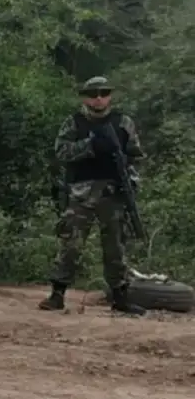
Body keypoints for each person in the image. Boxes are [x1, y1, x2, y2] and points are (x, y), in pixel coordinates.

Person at [39, 76, 146, 315]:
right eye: (93, 94)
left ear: (110, 95)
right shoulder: (74, 123)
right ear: (85, 97)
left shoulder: (123, 122)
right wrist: (90, 145)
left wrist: (129, 177)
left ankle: (120, 296)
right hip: (82, 193)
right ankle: (57, 294)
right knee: (71, 244)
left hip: (113, 192)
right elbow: (62, 152)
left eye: (104, 93)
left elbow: (136, 155)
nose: (99, 98)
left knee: (115, 246)